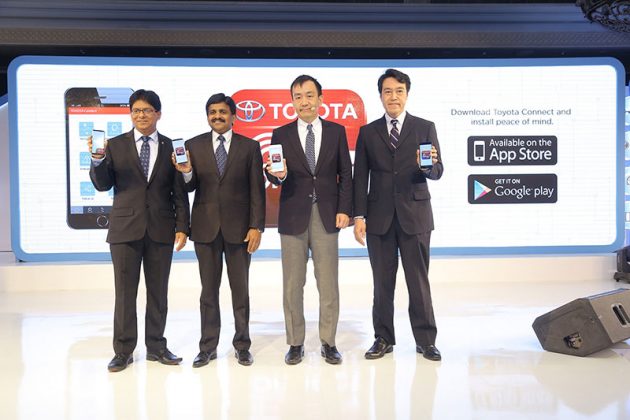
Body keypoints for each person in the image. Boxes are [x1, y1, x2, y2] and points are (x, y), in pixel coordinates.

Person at [89, 89, 190, 372]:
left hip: (161, 228)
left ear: (158, 114)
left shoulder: (172, 147)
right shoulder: (114, 145)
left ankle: (156, 347)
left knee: (158, 292)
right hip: (124, 230)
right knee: (124, 294)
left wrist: (183, 226)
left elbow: (179, 191)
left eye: (146, 110)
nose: (141, 115)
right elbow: (102, 184)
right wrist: (96, 160)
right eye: (136, 111)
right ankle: (123, 351)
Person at [353, 69, 444, 361]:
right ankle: (383, 338)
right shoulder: (368, 132)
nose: (393, 96)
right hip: (378, 218)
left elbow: (437, 171)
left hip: (415, 215)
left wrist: (427, 166)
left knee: (418, 281)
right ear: (381, 96)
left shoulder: (424, 127)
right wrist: (358, 217)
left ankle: (426, 340)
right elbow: (360, 177)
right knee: (382, 283)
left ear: (407, 94)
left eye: (399, 91)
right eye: (388, 91)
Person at [173, 93, 265, 367]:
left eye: (222, 112)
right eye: (212, 112)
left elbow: (257, 191)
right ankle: (208, 347)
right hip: (205, 230)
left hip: (240, 231)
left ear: (233, 116)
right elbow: (187, 188)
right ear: (207, 116)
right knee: (208, 292)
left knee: (240, 291)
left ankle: (242, 345)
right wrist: (186, 172)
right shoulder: (193, 145)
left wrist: (256, 226)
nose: (217, 116)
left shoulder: (250, 147)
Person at [266, 75, 352, 365]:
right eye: (298, 96)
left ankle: (329, 341)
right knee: (293, 284)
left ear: (320, 99)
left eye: (309, 95)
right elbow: (275, 174)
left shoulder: (337, 132)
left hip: (327, 215)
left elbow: (346, 173)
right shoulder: (281, 134)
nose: (304, 101)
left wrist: (345, 209)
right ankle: (295, 342)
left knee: (328, 284)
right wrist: (275, 175)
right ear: (292, 101)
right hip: (293, 216)